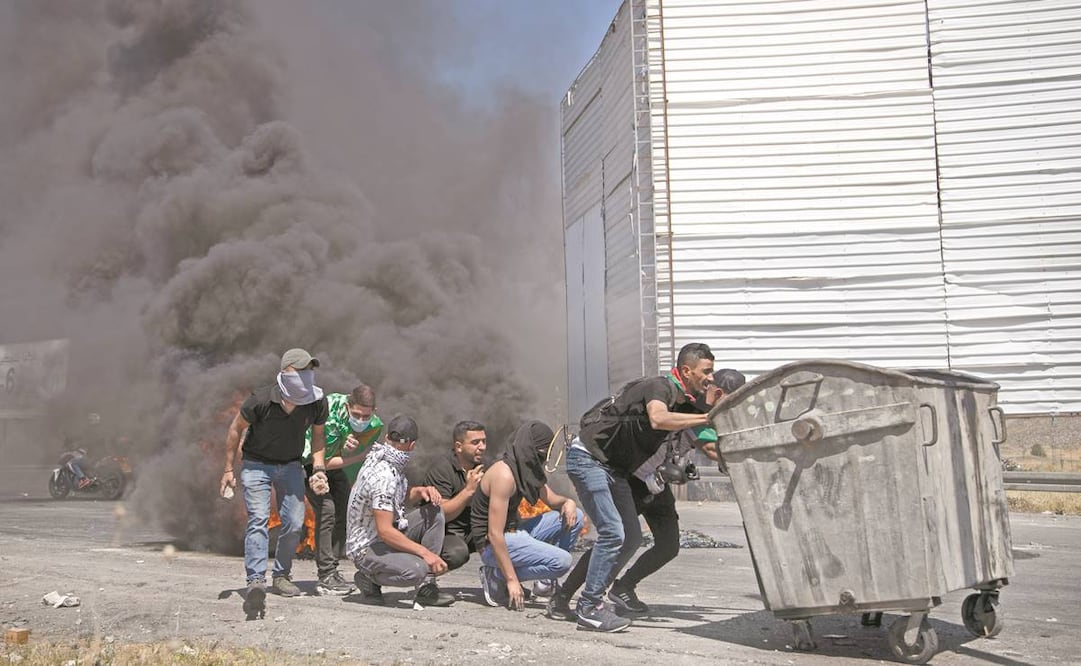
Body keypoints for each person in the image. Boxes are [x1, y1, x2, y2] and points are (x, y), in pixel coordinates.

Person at [548, 368, 746, 621]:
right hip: (636, 481)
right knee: (616, 540)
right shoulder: (693, 408)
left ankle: (623, 587)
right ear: (718, 393)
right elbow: (710, 446)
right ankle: (568, 598)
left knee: (668, 545)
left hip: (659, 483)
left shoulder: (697, 407)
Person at [563, 342, 717, 632]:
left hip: (617, 469)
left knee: (631, 538)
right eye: (706, 372)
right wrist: (708, 416)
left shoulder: (687, 402)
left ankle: (563, 599)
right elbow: (658, 418)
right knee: (612, 533)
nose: (710, 378)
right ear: (686, 370)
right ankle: (589, 606)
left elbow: (711, 445)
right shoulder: (660, 387)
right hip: (589, 458)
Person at [219, 348, 330, 619]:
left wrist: (318, 468)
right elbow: (236, 429)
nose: (305, 375)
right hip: (256, 465)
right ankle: (255, 581)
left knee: (293, 522)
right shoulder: (260, 400)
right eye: (299, 370)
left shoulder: (316, 402)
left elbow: (318, 438)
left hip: (291, 465)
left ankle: (281, 576)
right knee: (258, 518)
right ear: (284, 372)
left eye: (308, 371)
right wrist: (228, 469)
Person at [471, 420, 584, 611]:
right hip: (492, 545)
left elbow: (552, 500)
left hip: (516, 532)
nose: (543, 459)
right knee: (562, 562)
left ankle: (544, 582)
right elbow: (494, 534)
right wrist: (512, 580)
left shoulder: (525, 469)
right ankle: (496, 576)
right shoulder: (504, 475)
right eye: (542, 452)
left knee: (577, 517)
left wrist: (569, 502)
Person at [346, 415, 455, 608]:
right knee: (417, 569)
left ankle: (427, 588)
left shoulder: (382, 457)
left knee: (434, 513)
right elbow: (385, 531)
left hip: (381, 536)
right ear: (412, 445)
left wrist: (419, 491)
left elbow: (394, 497)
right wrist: (425, 554)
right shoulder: (383, 475)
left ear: (388, 437)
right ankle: (368, 578)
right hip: (367, 548)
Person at [301, 384, 379, 596]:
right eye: (356, 415)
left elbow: (355, 442)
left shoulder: (373, 424)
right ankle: (325, 575)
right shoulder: (329, 412)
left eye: (366, 416)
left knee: (344, 511)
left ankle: (332, 569)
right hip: (310, 464)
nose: (361, 420)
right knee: (327, 510)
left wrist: (350, 445)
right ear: (347, 406)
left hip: (336, 466)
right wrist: (358, 456)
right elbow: (322, 460)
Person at [422, 420, 487, 574]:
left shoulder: (484, 467)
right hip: (442, 534)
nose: (482, 447)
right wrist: (468, 491)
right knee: (457, 553)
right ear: (459, 446)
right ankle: (424, 579)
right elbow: (442, 515)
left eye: (484, 442)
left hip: (471, 530)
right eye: (476, 442)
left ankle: (499, 582)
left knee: (505, 538)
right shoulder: (442, 469)